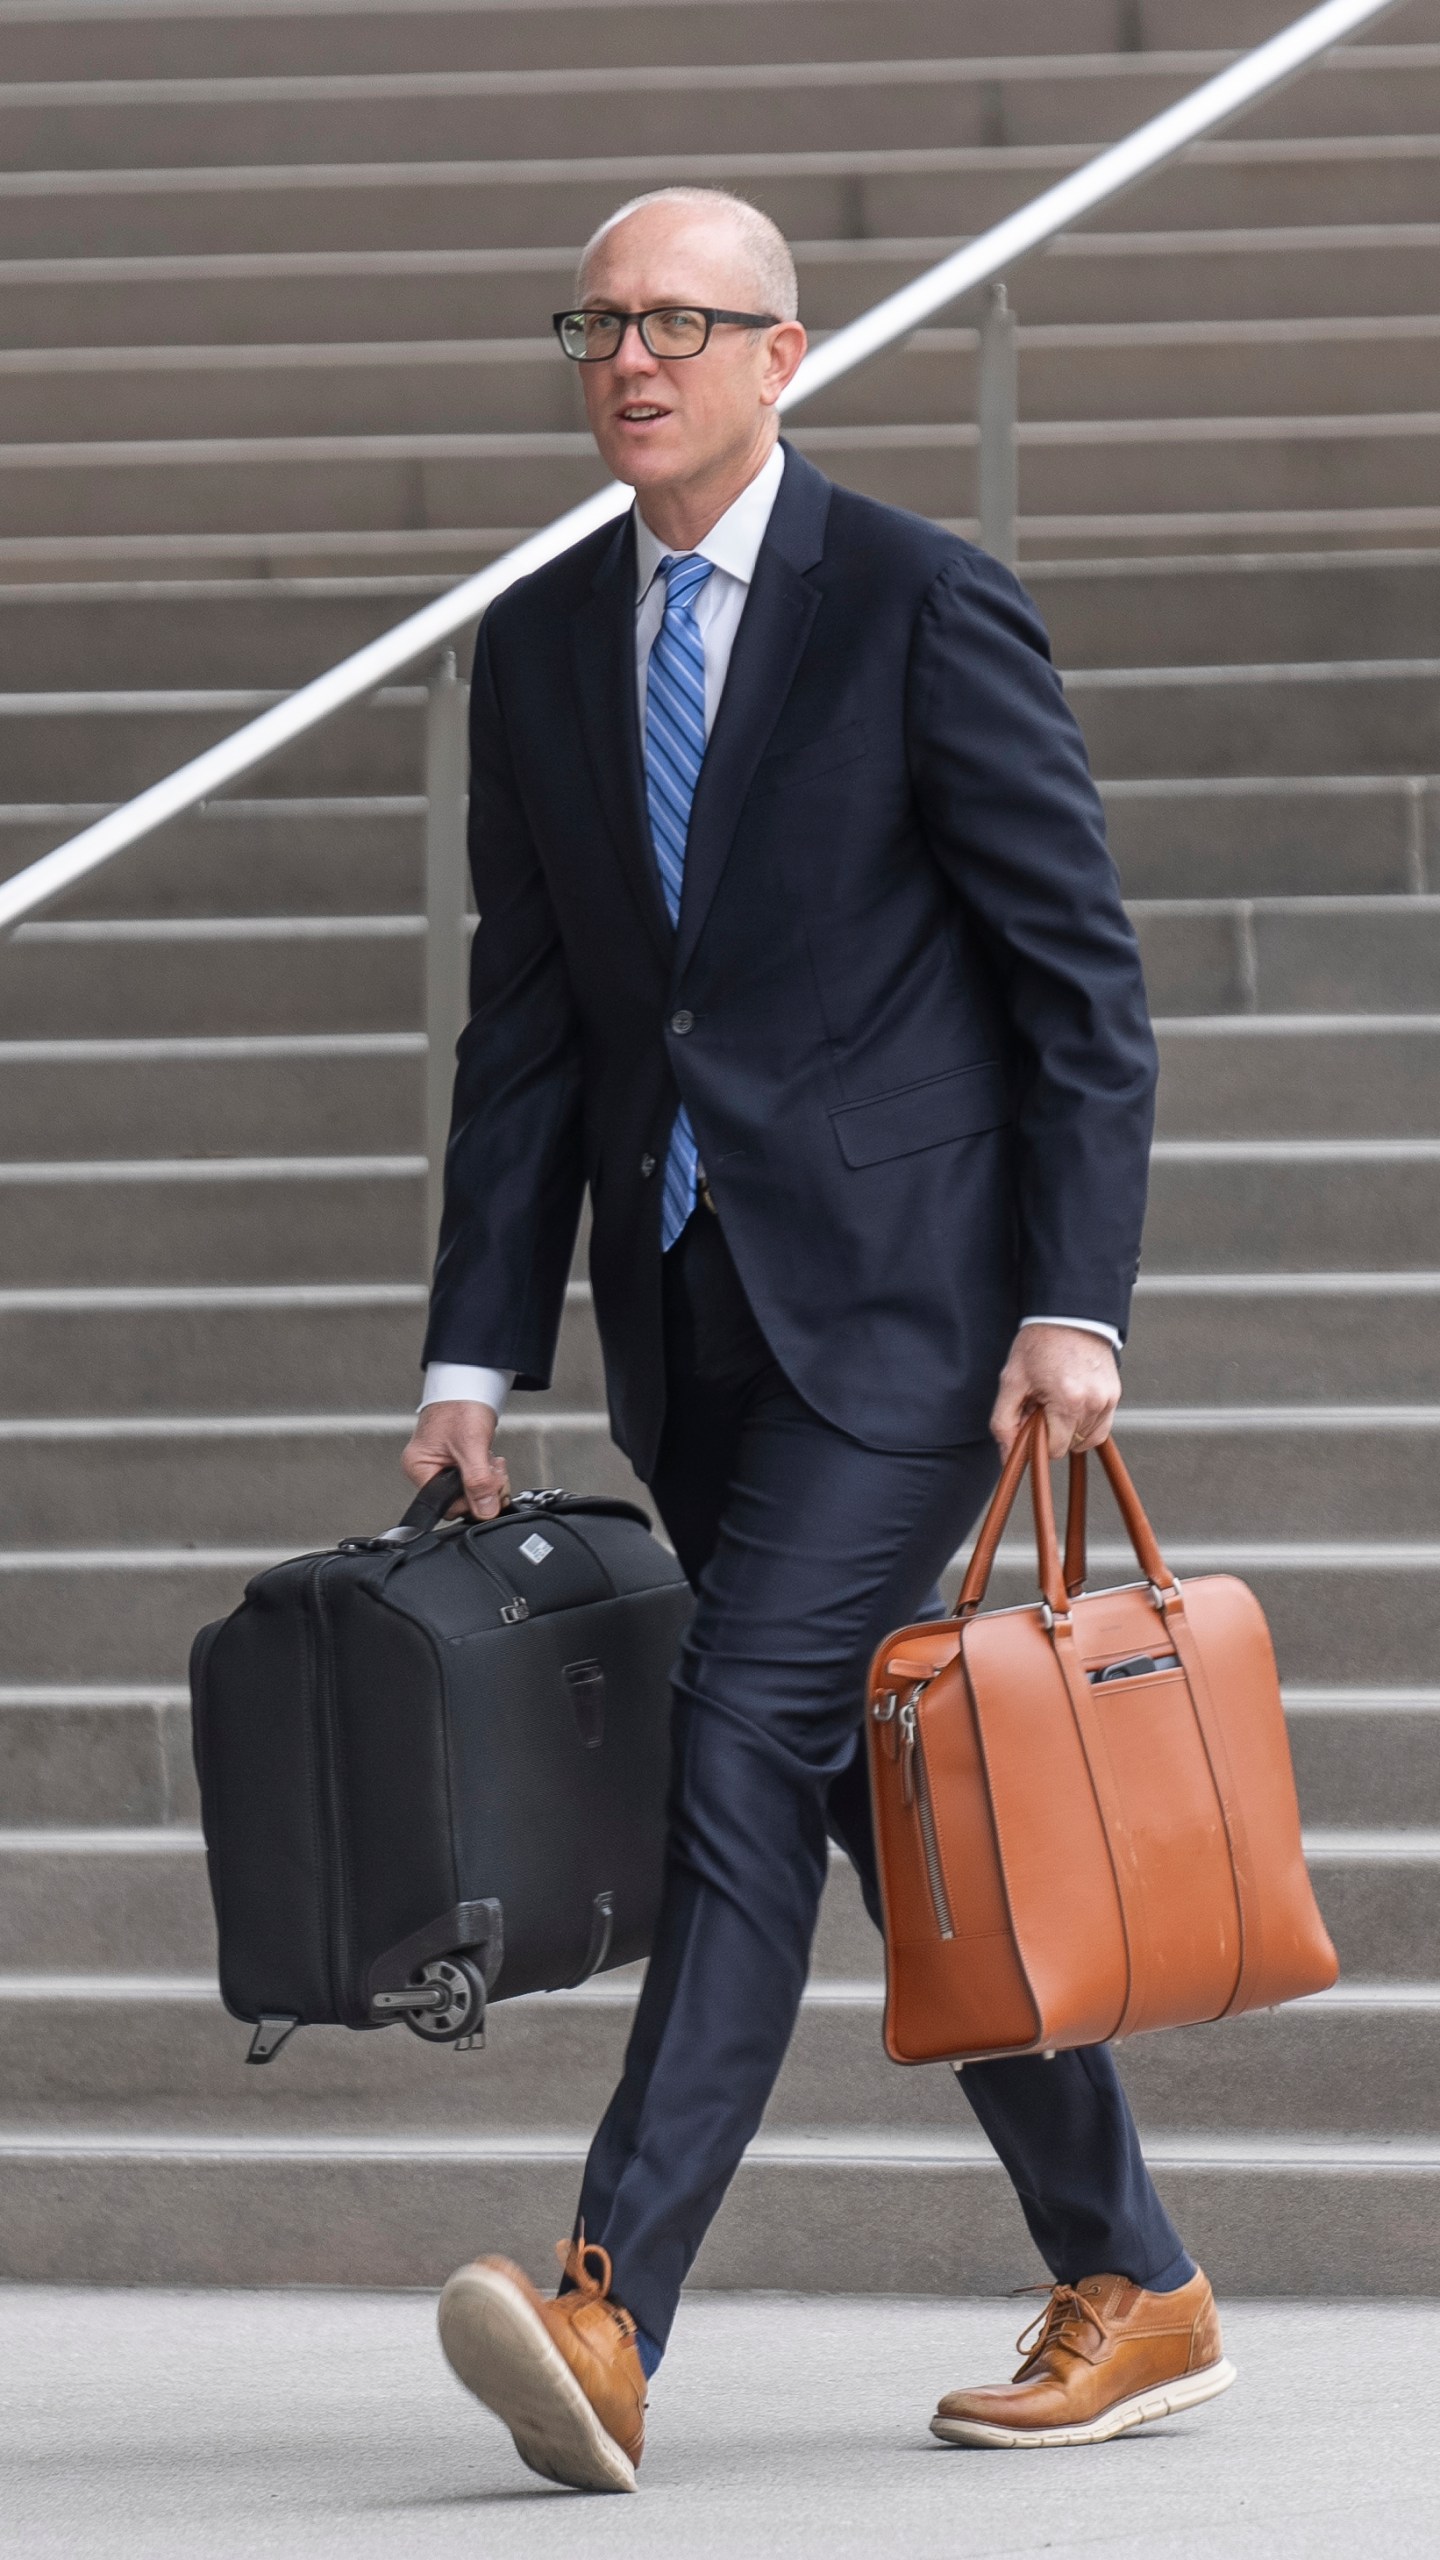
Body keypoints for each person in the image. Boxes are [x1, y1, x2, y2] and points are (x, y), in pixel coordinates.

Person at [402, 184, 1232, 2493]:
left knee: (748, 1743)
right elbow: (535, 1030)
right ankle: (1135, 2270)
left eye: (680, 320)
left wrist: (1077, 1301)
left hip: (908, 1324)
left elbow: (1081, 983)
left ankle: (610, 2298)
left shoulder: (918, 601)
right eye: (598, 321)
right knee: (888, 1795)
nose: (631, 356)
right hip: (691, 1328)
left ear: (788, 355)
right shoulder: (550, 639)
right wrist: (480, 1351)